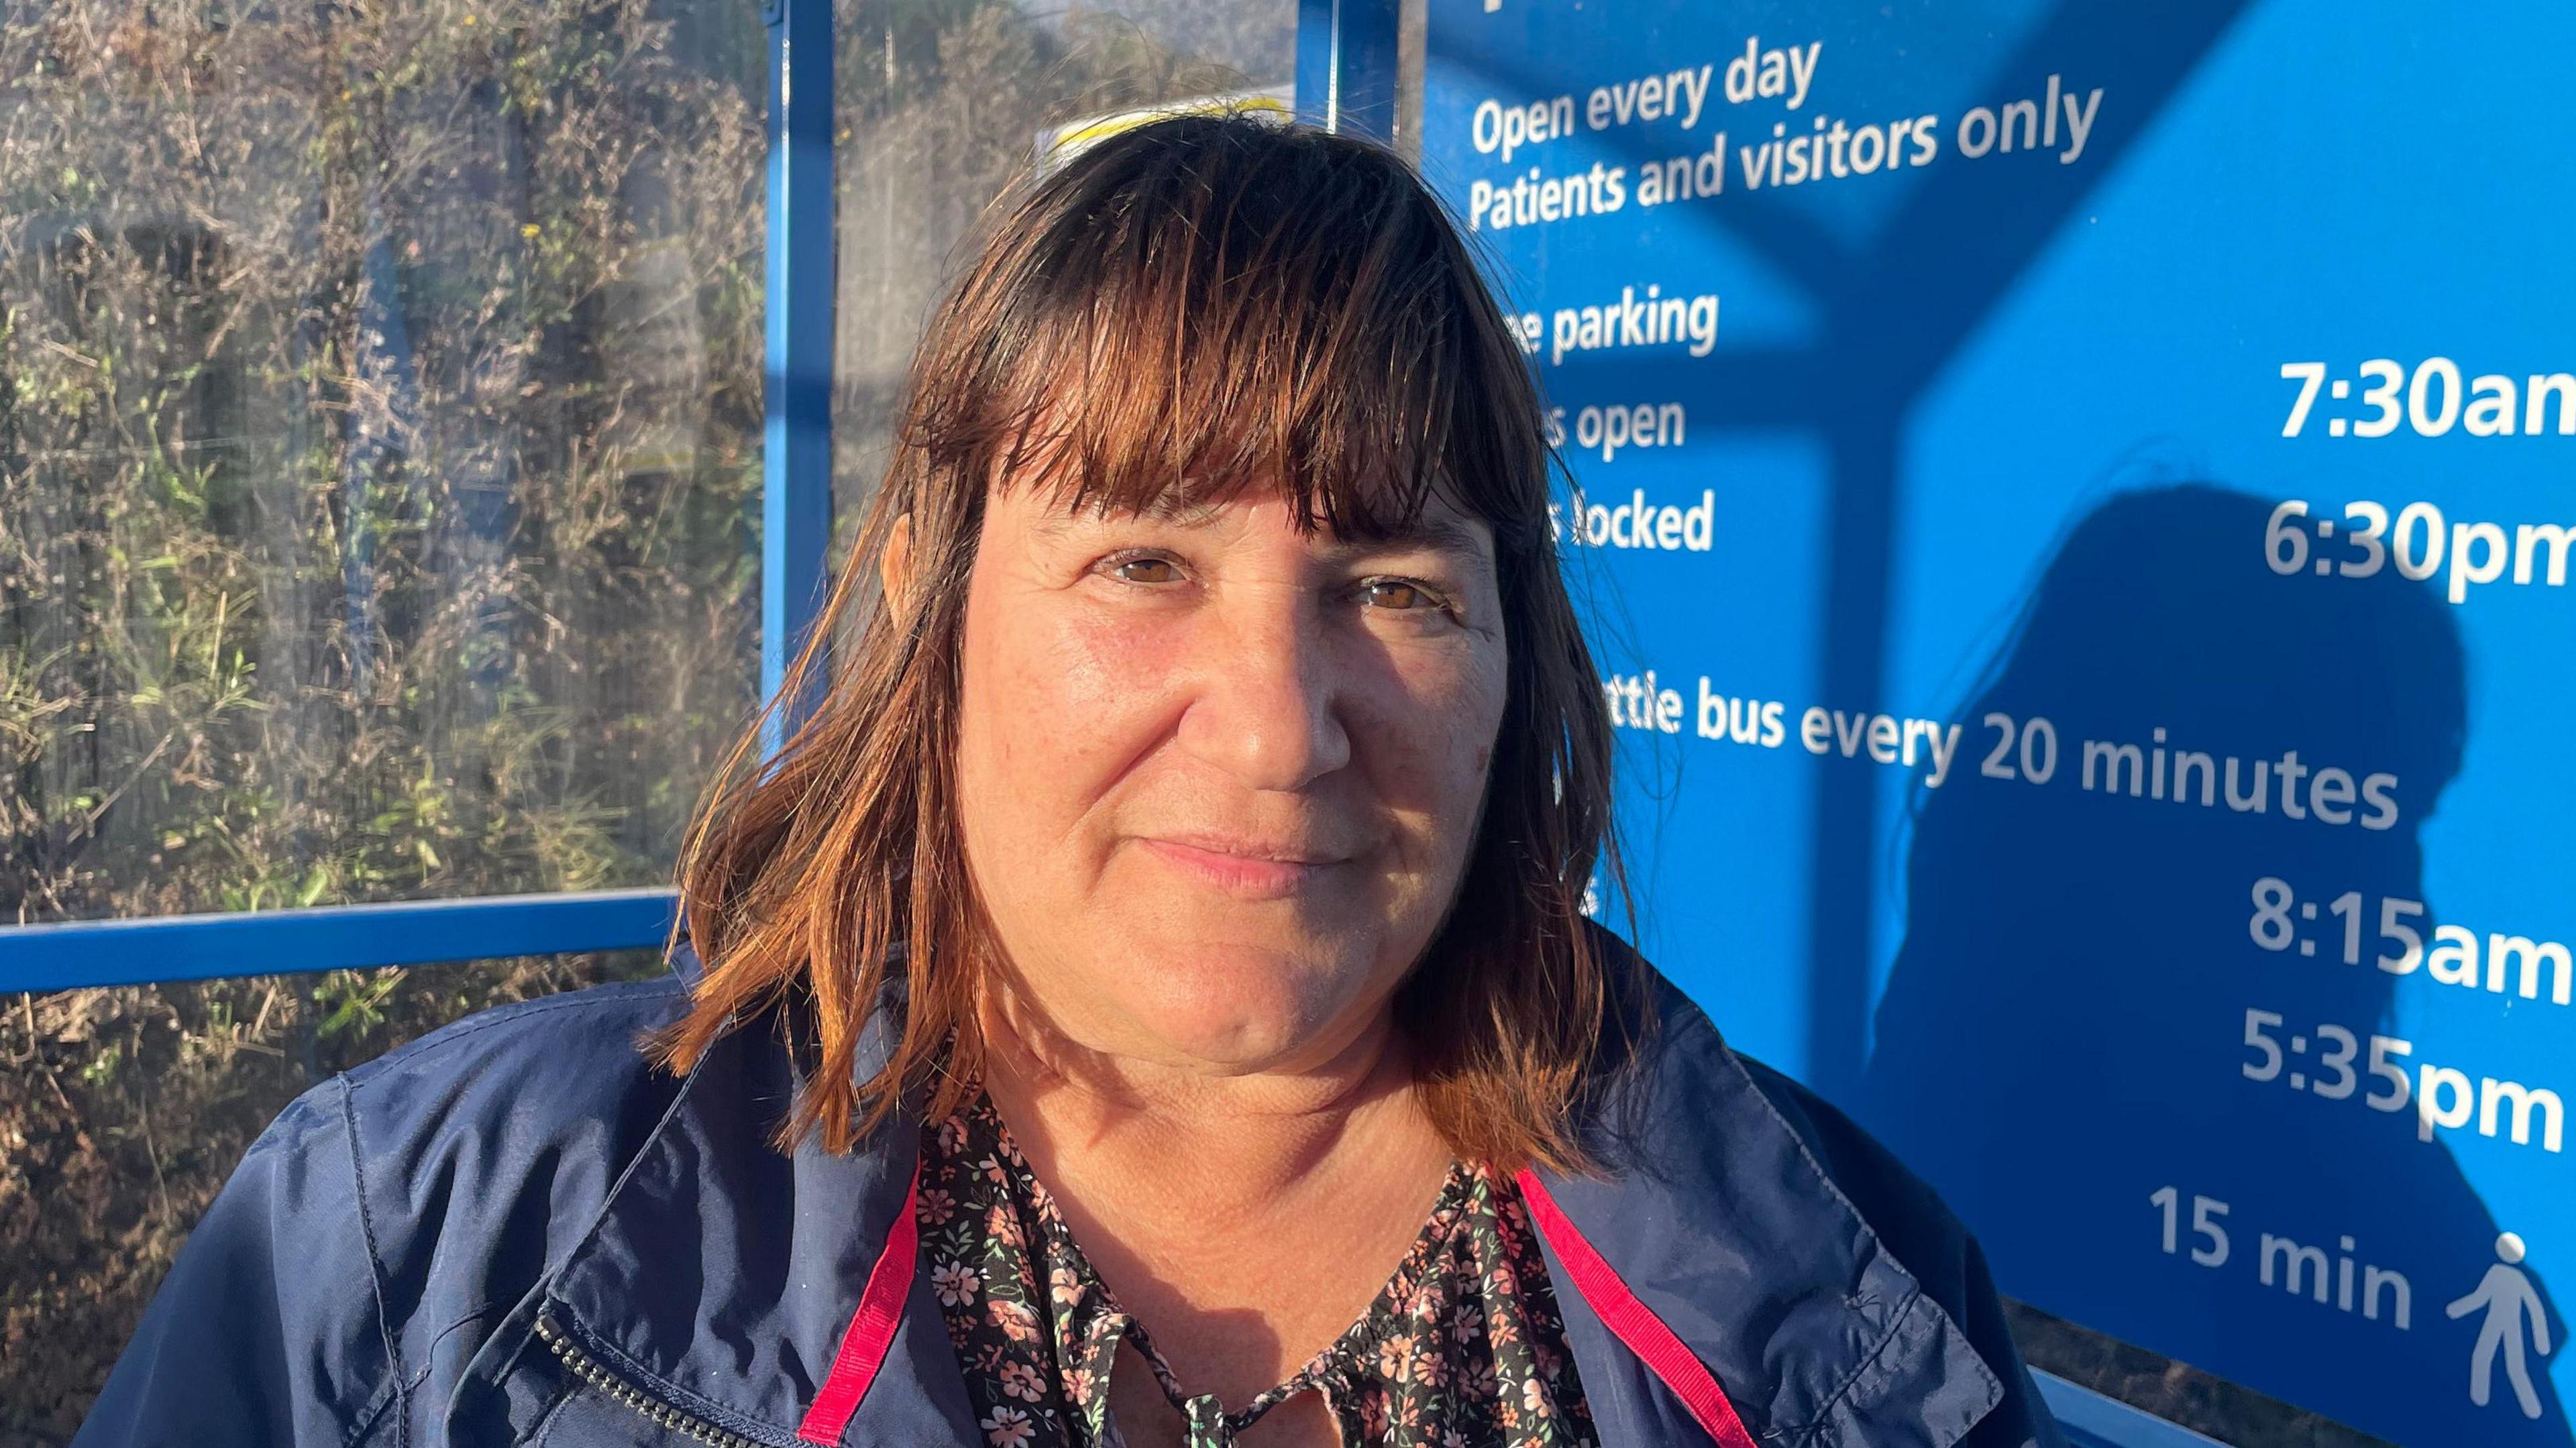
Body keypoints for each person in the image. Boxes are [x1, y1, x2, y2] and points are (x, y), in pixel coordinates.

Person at [75, 115, 2061, 1448]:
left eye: (1392, 585)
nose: (1281, 726)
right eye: (1143, 562)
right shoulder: (424, 1260)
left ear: (1513, 664)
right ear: (940, 626)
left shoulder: (1857, 1308)